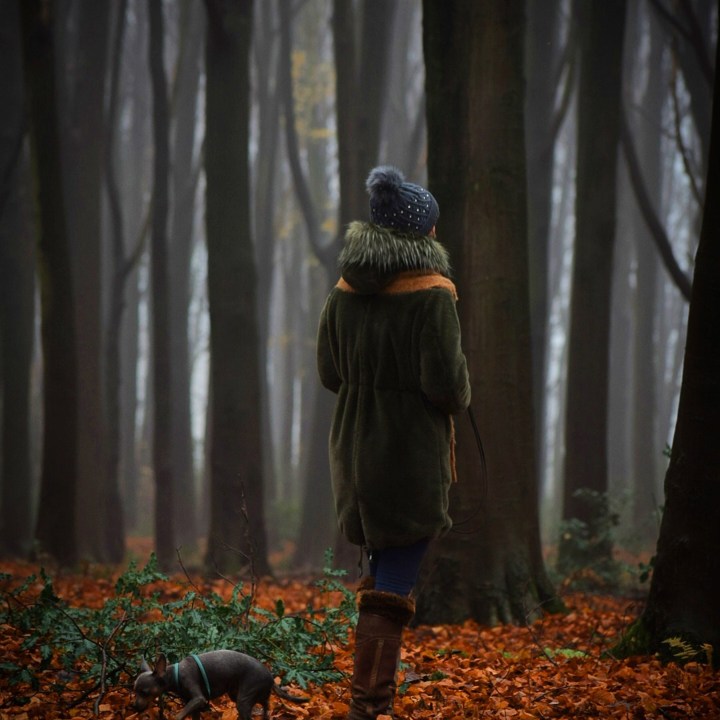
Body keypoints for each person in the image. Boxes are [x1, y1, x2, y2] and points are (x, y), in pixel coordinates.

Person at [317, 165, 471, 719]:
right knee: (392, 589)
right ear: (418, 233)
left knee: (381, 577)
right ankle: (368, 706)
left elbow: (330, 374)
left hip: (356, 458)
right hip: (408, 459)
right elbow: (447, 389)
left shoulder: (343, 291)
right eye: (431, 227)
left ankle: (368, 700)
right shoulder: (433, 296)